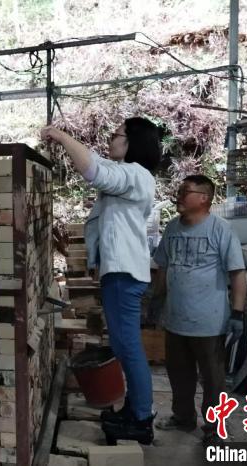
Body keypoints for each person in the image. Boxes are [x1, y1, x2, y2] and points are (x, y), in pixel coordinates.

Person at [42, 117, 161, 445]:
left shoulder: (136, 175)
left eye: (117, 134)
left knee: (128, 347)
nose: (111, 138)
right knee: (124, 346)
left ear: (133, 142)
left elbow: (92, 169)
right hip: (119, 272)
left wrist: (61, 136)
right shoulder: (127, 173)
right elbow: (98, 165)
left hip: (125, 274)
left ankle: (141, 418)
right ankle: (134, 410)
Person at [152, 175, 247, 445]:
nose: (179, 195)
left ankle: (214, 428)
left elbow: (238, 274)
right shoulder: (172, 228)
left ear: (204, 198)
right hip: (176, 319)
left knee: (213, 380)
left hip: (209, 322)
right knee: (179, 375)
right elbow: (163, 267)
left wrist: (237, 313)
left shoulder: (221, 229)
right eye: (180, 189)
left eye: (186, 191)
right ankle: (183, 417)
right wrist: (157, 301)